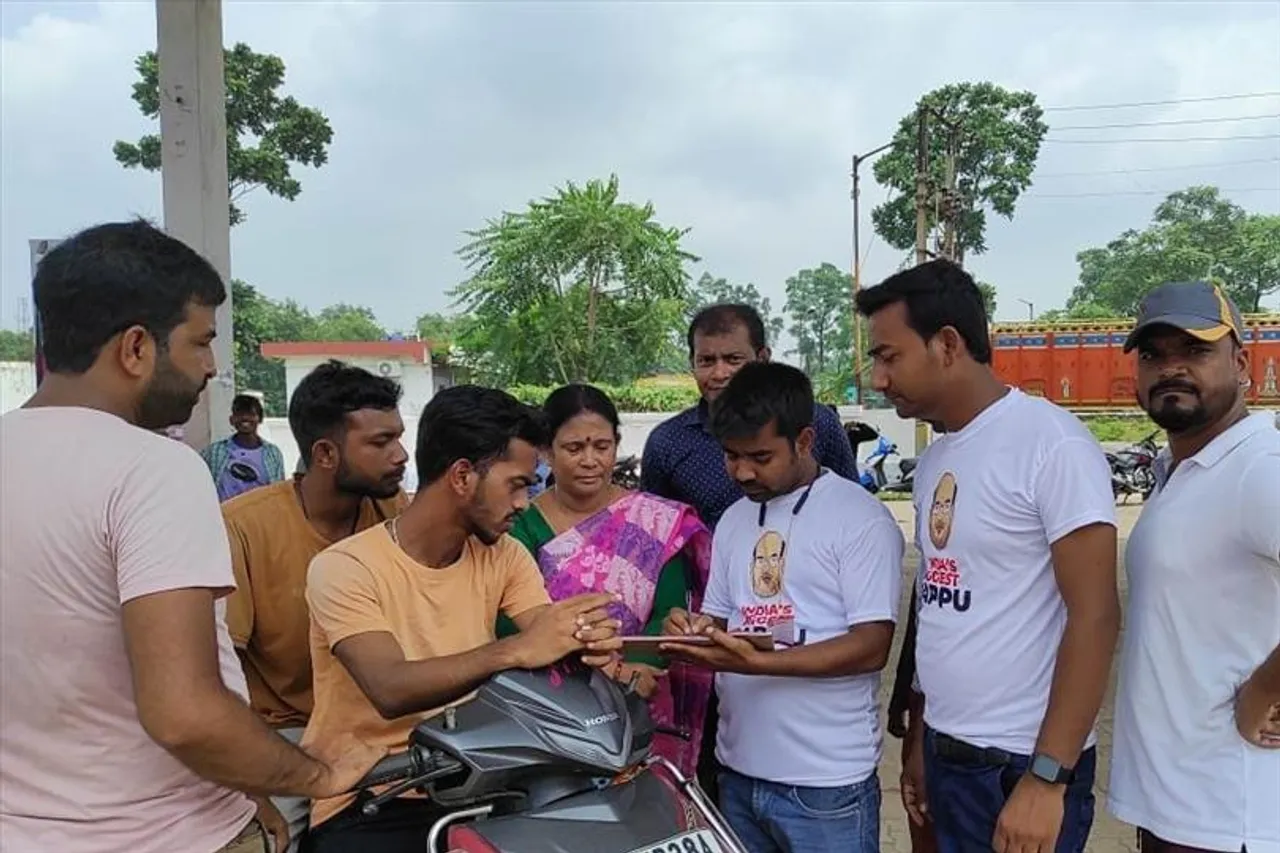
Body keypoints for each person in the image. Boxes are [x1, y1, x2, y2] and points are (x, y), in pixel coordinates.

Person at [0, 220, 379, 853]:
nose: (211, 366)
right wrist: (319, 775)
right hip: (165, 835)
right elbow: (185, 712)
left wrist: (252, 792)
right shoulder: (152, 469)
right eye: (200, 343)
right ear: (136, 348)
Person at [856, 259, 1120, 853]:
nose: (878, 378)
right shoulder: (937, 460)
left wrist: (1047, 779)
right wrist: (920, 737)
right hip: (950, 756)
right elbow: (940, 605)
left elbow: (1097, 617)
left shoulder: (1052, 445)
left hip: (1019, 765)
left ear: (947, 344)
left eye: (889, 356)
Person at [298, 385, 624, 853]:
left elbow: (543, 630)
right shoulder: (345, 567)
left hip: (481, 780)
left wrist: (584, 642)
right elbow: (390, 688)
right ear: (463, 476)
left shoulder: (504, 555)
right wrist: (514, 649)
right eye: (516, 483)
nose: (523, 503)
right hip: (373, 794)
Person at [659, 361, 904, 853]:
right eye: (731, 456)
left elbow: (870, 646)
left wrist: (759, 661)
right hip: (739, 775)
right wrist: (694, 630)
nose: (743, 471)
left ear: (806, 440)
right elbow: (726, 621)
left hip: (825, 784)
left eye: (760, 456)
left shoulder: (860, 520)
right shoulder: (732, 520)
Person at [640, 303, 860, 797]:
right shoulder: (668, 442)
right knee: (718, 758)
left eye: (733, 359)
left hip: (805, 633)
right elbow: (661, 542)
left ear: (761, 356)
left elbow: (845, 509)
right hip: (711, 628)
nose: (718, 373)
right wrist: (683, 621)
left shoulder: (817, 424)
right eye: (706, 360)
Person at [1108, 281, 1280, 853]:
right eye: (1154, 354)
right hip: (1179, 811)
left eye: (1196, 350)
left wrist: (1265, 688)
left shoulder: (1258, 469)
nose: (1171, 368)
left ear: (1242, 363)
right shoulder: (1184, 469)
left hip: (1229, 816)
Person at [222, 360, 410, 851]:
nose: (400, 455)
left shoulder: (397, 513)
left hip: (377, 729)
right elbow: (219, 672)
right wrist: (251, 790)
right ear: (325, 453)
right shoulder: (243, 526)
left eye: (399, 437)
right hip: (282, 735)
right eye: (380, 443)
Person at [495, 383, 714, 777]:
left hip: (637, 694)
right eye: (574, 448)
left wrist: (633, 670)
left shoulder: (654, 521)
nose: (590, 460)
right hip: (547, 699)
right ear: (546, 451)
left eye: (602, 446)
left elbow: (667, 611)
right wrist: (599, 666)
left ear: (616, 443)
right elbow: (508, 617)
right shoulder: (521, 522)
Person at [200, 393, 287, 501]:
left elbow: (279, 492)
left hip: (260, 516)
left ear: (259, 419)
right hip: (224, 516)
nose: (245, 418)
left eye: (251, 414)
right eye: (240, 414)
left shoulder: (273, 453)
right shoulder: (214, 451)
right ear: (231, 420)